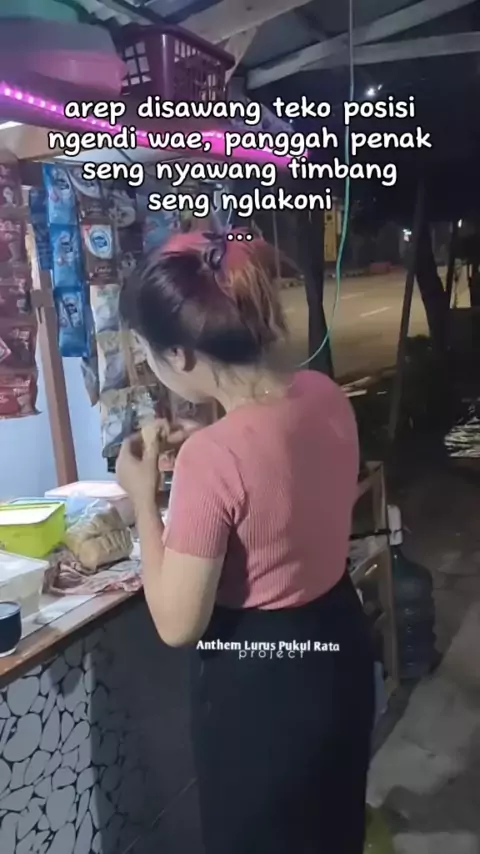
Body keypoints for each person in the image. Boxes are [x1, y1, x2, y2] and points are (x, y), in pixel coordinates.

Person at [116, 229, 375, 854]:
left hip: (265, 682)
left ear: (180, 356)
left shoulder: (214, 458)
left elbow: (177, 623)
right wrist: (215, 440)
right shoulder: (324, 393)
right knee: (332, 830)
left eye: (148, 351)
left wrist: (144, 498)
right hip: (338, 646)